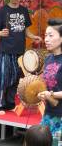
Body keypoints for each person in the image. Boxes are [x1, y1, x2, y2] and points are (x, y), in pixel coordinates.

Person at [0, 0, 42, 115]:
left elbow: (26, 31)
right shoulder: (2, 11)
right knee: (3, 78)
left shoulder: (24, 11)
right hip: (5, 51)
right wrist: (0, 33)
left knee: (15, 79)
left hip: (20, 52)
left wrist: (34, 37)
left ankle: (9, 104)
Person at [37, 18, 62, 146]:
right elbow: (45, 84)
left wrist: (51, 94)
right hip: (48, 114)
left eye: (51, 35)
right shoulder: (48, 58)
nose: (46, 39)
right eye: (45, 35)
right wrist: (40, 93)